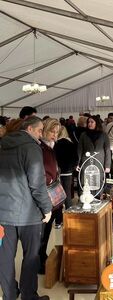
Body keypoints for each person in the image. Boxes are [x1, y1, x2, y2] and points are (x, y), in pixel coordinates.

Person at [0, 116, 52, 300]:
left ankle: (9, 294)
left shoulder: (2, 144)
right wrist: (47, 208)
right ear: (29, 129)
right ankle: (29, 296)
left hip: (3, 213)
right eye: (39, 130)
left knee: (5, 258)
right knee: (31, 256)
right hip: (28, 214)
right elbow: (37, 184)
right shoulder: (31, 148)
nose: (41, 134)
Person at [39, 118, 61, 274]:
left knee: (46, 232)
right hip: (44, 195)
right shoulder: (40, 147)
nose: (54, 135)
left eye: (57, 132)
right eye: (52, 131)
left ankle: (42, 257)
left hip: (52, 195)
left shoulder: (51, 147)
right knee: (41, 232)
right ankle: (39, 261)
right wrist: (49, 179)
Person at [78, 116, 111, 195]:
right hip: (86, 161)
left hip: (99, 161)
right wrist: (78, 163)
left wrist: (107, 165)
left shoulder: (103, 135)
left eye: (92, 122)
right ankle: (85, 198)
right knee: (85, 180)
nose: (90, 124)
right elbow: (79, 149)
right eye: (88, 122)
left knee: (98, 180)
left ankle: (98, 197)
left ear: (97, 123)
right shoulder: (83, 135)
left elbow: (107, 150)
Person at [54, 126, 78, 210]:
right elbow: (75, 157)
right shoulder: (71, 144)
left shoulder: (55, 144)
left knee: (58, 194)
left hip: (58, 171)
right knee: (67, 192)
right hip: (68, 171)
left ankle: (58, 213)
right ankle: (69, 210)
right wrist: (73, 167)